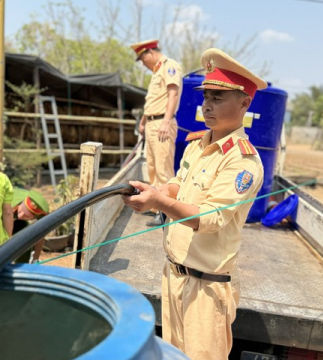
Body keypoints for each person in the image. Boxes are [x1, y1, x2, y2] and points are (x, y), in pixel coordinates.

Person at [122, 48, 266, 360]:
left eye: (218, 97)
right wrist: (158, 191)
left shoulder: (242, 160)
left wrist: (158, 201)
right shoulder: (198, 145)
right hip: (175, 274)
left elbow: (210, 219)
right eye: (206, 97)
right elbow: (178, 182)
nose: (207, 105)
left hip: (206, 287)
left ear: (245, 103)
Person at [130, 39, 182, 226]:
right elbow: (153, 101)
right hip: (153, 122)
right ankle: (154, 206)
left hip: (162, 122)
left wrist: (166, 121)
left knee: (163, 169)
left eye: (142, 59)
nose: (143, 64)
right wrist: (143, 122)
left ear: (149, 53)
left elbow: (172, 94)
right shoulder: (157, 71)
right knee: (152, 167)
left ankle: (165, 211)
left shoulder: (170, 67)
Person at [11, 188, 49, 264]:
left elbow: (41, 233)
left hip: (16, 221)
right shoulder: (9, 202)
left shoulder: (43, 213)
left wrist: (36, 258)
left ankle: (22, 265)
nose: (21, 216)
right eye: (21, 211)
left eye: (27, 216)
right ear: (20, 204)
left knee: (25, 235)